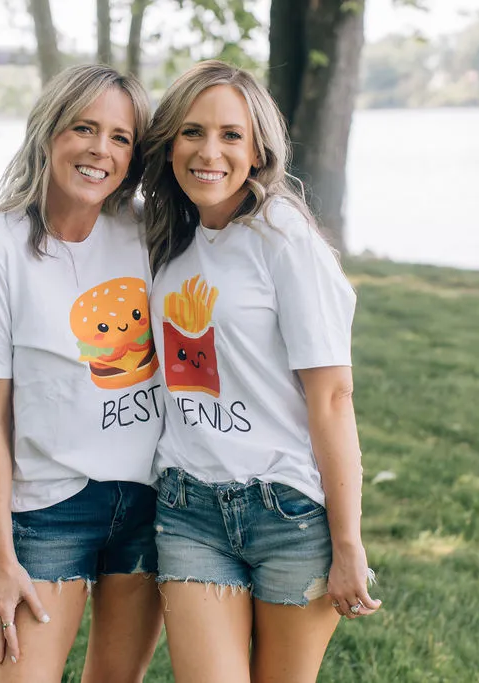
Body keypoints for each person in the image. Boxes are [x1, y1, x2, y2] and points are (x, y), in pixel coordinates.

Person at [140, 60, 380, 683]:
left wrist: (348, 544)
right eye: (191, 132)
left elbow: (331, 397)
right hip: (188, 507)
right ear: (169, 145)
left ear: (258, 150)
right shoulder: (171, 238)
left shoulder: (284, 240)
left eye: (230, 135)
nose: (208, 151)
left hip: (288, 514)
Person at [0, 64, 164, 683]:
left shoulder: (147, 232)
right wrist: (2, 558)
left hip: (150, 498)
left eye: (120, 137)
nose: (101, 149)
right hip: (52, 507)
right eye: (84, 128)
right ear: (48, 134)